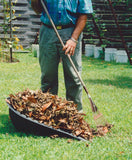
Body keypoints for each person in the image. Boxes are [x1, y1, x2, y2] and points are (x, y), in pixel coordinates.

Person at [37, 0, 93, 112]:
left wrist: (73, 39)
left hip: (70, 31)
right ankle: (48, 113)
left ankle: (75, 114)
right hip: (48, 31)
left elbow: (83, 15)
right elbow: (37, 9)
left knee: (73, 76)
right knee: (48, 76)